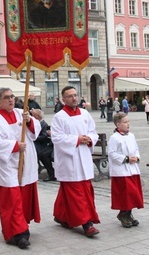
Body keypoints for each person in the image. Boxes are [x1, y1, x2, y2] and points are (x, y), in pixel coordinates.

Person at [0, 88, 41, 249]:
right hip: (8, 164)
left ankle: (21, 226)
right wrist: (15, 145)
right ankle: (19, 233)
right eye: (6, 97)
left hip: (26, 160)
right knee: (12, 199)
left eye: (12, 97)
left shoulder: (20, 113)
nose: (11, 100)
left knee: (22, 198)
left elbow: (35, 131)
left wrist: (29, 121)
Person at [52, 86, 101, 237]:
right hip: (69, 160)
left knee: (76, 191)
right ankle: (87, 224)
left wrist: (90, 139)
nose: (74, 98)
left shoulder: (85, 114)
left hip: (84, 157)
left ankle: (62, 215)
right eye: (70, 96)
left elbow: (93, 132)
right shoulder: (59, 117)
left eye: (75, 95)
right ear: (63, 99)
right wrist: (77, 139)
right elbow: (57, 137)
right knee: (76, 193)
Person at [108, 112, 143, 228]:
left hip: (132, 169)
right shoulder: (114, 138)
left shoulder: (131, 136)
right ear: (118, 125)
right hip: (121, 170)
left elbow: (136, 149)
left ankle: (129, 214)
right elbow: (112, 153)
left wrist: (136, 157)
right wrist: (126, 159)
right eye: (125, 122)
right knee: (125, 194)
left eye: (129, 122)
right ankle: (123, 213)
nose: (128, 124)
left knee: (133, 194)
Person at [31, 108, 56, 181]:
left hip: (43, 144)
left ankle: (51, 173)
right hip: (43, 144)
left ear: (38, 116)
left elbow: (44, 137)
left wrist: (34, 138)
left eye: (33, 116)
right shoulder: (35, 123)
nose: (32, 117)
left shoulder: (43, 124)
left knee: (41, 154)